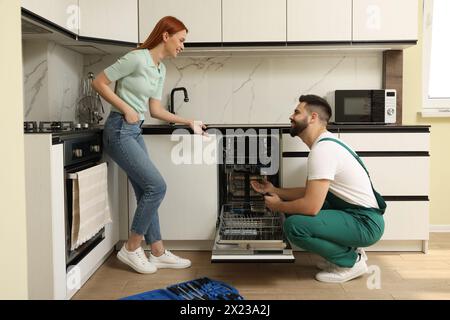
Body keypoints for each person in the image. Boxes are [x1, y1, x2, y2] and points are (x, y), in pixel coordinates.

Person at [92, 16, 206, 274]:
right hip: (119, 129)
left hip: (134, 131)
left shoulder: (160, 68)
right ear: (166, 35)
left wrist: (189, 121)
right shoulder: (136, 58)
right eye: (181, 40)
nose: (183, 46)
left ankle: (157, 251)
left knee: (147, 191)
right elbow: (98, 81)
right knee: (157, 186)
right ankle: (131, 248)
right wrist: (126, 108)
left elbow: (155, 110)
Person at [250, 94, 386, 283]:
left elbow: (310, 207)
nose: (291, 116)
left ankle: (351, 261)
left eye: (297, 112)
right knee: (294, 210)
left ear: (313, 117)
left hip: (365, 223)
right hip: (356, 216)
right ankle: (343, 255)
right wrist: (273, 189)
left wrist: (278, 206)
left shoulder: (323, 151)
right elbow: (309, 193)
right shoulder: (324, 145)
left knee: (295, 225)